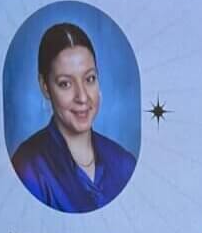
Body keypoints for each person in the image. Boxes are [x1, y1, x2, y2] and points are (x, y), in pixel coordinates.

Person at [10, 21, 137, 212]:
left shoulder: (123, 163)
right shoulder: (29, 167)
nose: (83, 97)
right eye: (65, 84)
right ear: (45, 87)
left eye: (89, 79)